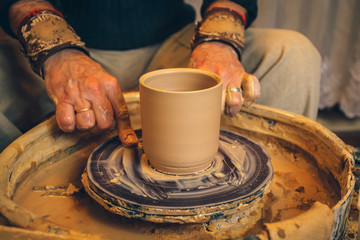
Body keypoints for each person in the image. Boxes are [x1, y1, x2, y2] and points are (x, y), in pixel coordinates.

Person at [0, 0, 321, 152]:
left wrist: (219, 42)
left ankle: (250, 194)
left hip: (171, 45)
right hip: (50, 53)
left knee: (292, 53)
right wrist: (58, 54)